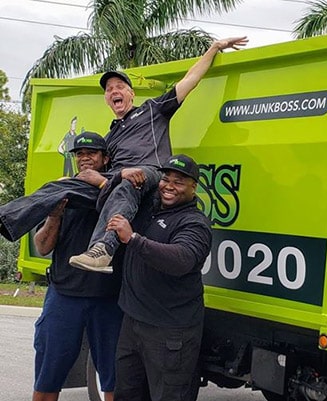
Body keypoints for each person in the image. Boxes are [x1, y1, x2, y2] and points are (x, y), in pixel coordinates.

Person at [0, 36, 248, 274]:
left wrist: (214, 48)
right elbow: (103, 175)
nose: (114, 91)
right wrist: (77, 181)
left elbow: (190, 80)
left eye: (120, 86)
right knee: (59, 186)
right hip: (118, 182)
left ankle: (103, 249)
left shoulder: (153, 110)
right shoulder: (109, 138)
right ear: (107, 99)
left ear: (131, 94)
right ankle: (7, 219)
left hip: (149, 173)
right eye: (109, 89)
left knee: (130, 179)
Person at [106, 154, 212, 401]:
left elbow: (181, 260)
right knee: (127, 394)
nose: (169, 186)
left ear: (194, 187)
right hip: (133, 324)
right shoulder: (149, 210)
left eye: (179, 181)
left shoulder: (195, 223)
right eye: (166, 179)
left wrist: (133, 239)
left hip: (170, 333)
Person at [32, 131, 123, 401]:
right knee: (48, 374)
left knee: (114, 379)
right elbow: (43, 246)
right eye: (80, 154)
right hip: (64, 297)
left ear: (105, 159)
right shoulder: (62, 191)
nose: (85, 158)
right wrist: (54, 216)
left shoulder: (119, 195)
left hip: (108, 299)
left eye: (91, 154)